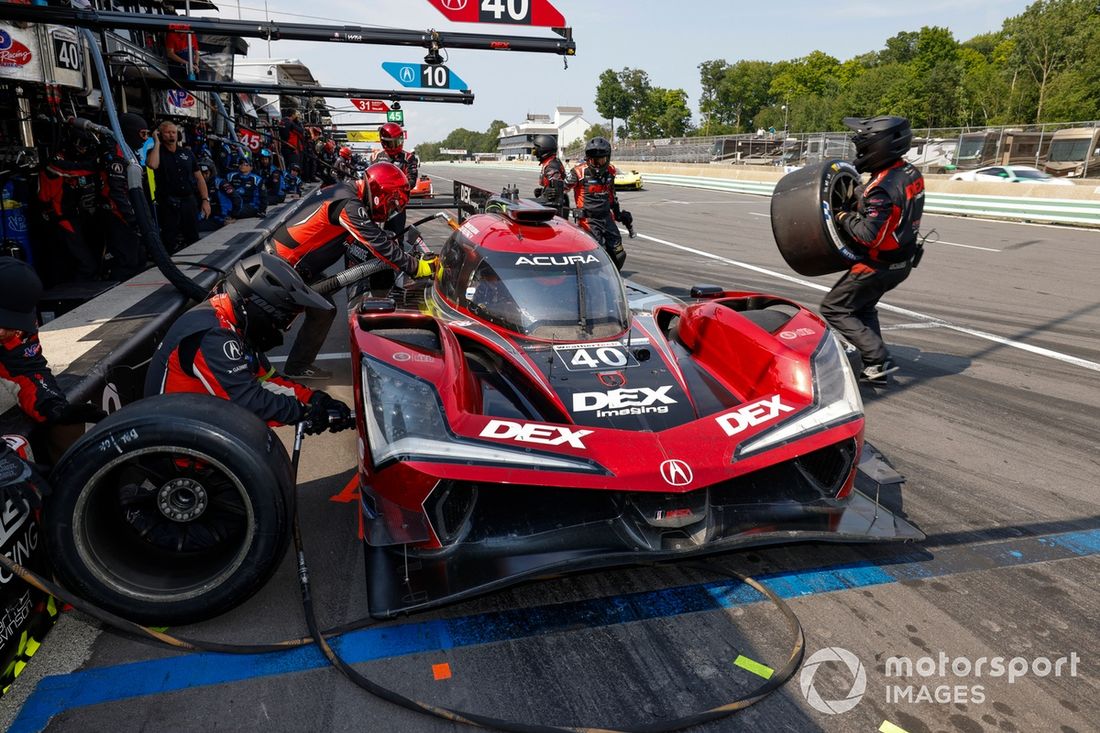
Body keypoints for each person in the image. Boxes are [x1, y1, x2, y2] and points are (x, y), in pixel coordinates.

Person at [145, 252, 351, 432]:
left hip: (198, 426)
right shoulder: (212, 335)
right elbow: (247, 401)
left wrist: (315, 399)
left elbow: (265, 380)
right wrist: (305, 412)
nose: (282, 328)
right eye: (282, 320)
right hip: (179, 447)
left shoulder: (233, 323)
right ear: (261, 306)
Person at [268, 162, 436, 380]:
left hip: (293, 261)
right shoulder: (348, 204)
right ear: (379, 193)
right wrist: (416, 266)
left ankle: (298, 367)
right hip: (286, 263)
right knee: (272, 322)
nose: (391, 209)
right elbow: (377, 243)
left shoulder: (347, 193)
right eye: (391, 203)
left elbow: (367, 241)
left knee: (324, 309)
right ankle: (273, 369)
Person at [820, 115, 925, 385]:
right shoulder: (908, 172)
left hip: (878, 265)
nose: (859, 150)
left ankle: (877, 355)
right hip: (901, 262)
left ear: (878, 146)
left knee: (834, 308)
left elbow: (869, 234)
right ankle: (876, 366)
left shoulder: (883, 190)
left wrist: (843, 216)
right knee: (863, 306)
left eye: (863, 145)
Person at [0, 257, 106, 426]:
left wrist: (52, 406)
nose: (2, 332)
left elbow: (26, 371)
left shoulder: (19, 330)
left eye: (10, 323)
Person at [565, 137, 633, 269]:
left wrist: (618, 213)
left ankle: (615, 278)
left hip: (607, 217)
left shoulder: (611, 171)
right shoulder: (578, 172)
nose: (598, 164)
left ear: (607, 158)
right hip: (588, 219)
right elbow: (562, 189)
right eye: (594, 160)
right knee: (597, 253)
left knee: (618, 253)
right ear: (588, 158)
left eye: (601, 160)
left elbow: (611, 194)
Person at [98, 112, 149, 280]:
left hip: (130, 214)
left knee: (139, 258)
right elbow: (116, 192)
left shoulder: (129, 152)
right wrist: (133, 218)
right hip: (118, 216)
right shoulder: (117, 155)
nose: (145, 138)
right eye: (143, 134)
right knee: (128, 261)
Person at [146, 121, 210, 253]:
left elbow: (199, 178)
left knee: (192, 236)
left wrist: (205, 200)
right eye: (167, 132)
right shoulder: (154, 152)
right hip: (168, 203)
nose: (171, 135)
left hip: (188, 201)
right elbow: (152, 165)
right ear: (160, 134)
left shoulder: (187, 153)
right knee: (169, 239)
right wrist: (156, 142)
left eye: (174, 132)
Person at [371, 123, 417, 236]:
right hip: (377, 204)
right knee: (374, 236)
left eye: (399, 140)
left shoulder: (408, 158)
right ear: (384, 142)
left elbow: (412, 181)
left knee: (397, 236)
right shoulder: (377, 157)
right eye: (393, 142)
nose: (398, 144)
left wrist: (394, 191)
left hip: (397, 205)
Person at [531, 133, 568, 217]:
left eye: (535, 151)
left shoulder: (551, 167)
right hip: (554, 207)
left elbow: (557, 191)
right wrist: (543, 192)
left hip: (554, 211)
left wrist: (546, 194)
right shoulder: (552, 162)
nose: (535, 153)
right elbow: (552, 188)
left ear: (543, 149)